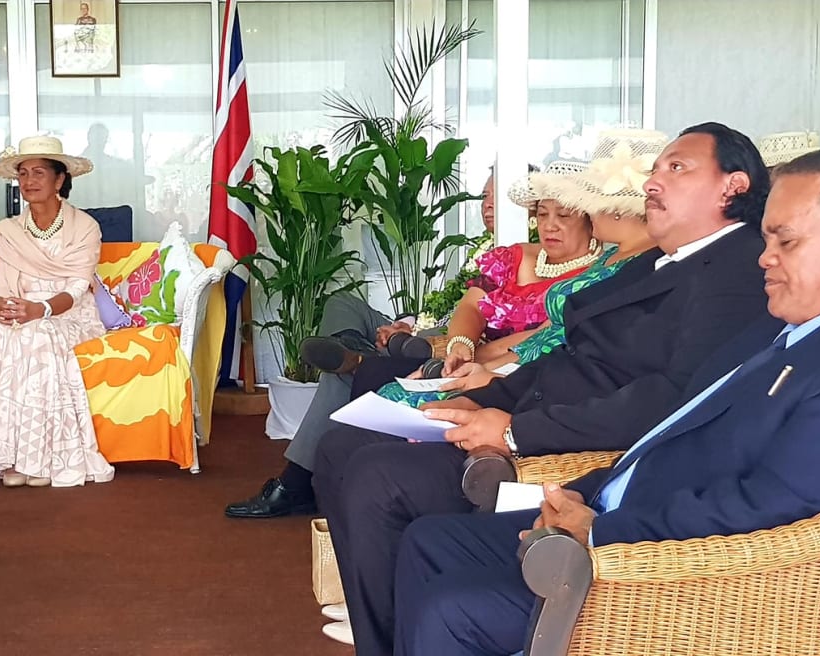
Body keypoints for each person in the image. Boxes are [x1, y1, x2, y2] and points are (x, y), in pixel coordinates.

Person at [312, 122, 781, 653]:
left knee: (379, 477)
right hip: (529, 404)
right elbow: (568, 353)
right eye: (655, 169)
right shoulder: (659, 261)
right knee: (340, 444)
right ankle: (394, 639)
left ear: (733, 185)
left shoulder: (739, 271)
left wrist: (512, 432)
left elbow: (668, 400)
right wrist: (484, 395)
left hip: (571, 440)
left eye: (677, 168)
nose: (653, 182)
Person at [393, 147, 820, 656]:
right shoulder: (781, 329)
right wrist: (580, 494)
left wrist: (601, 529)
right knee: (429, 542)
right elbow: (671, 429)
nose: (764, 257)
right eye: (766, 239)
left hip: (666, 568)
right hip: (607, 507)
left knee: (450, 610)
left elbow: (769, 505)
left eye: (785, 241)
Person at [223, 164, 598, 519]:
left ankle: (306, 466)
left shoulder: (597, 277)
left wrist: (474, 358)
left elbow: (544, 339)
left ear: (589, 217)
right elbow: (470, 306)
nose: (550, 225)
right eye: (542, 214)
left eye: (563, 216)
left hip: (501, 373)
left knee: (360, 377)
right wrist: (460, 345)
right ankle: (358, 354)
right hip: (456, 354)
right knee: (346, 314)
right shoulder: (511, 255)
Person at [375, 129, 668, 407]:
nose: (588, 212)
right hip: (514, 370)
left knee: (392, 404)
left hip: (539, 387)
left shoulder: (640, 266)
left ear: (615, 207)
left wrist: (489, 375)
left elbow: (567, 347)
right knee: (389, 395)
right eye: (542, 214)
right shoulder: (614, 257)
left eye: (577, 208)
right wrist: (474, 361)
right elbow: (540, 331)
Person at [0, 135, 114, 488]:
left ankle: (43, 459)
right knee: (0, 335)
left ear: (60, 179)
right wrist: (0, 309)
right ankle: (10, 456)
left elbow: (78, 288)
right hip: (21, 310)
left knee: (39, 334)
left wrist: (41, 309)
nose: (29, 181)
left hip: (68, 313)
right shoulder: (7, 231)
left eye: (38, 172)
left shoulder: (85, 226)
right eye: (23, 173)